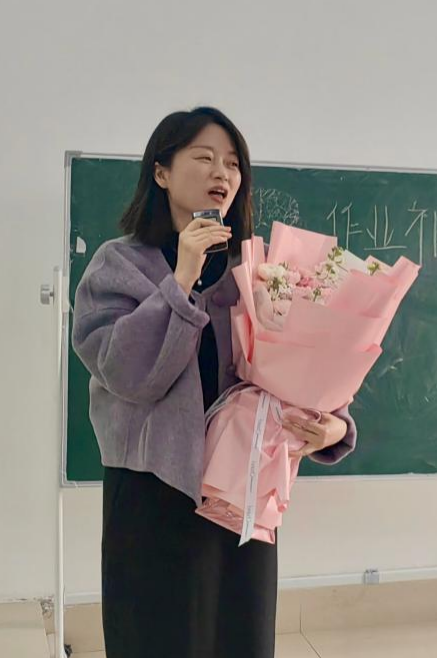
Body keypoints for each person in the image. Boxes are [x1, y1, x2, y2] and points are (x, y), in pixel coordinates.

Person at [72, 107, 356, 658]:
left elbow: (300, 365)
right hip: (154, 497)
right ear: (161, 172)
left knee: (239, 638)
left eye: (232, 163)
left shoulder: (257, 271)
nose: (221, 173)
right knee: (155, 641)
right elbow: (126, 373)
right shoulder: (118, 265)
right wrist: (181, 277)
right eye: (203, 157)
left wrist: (334, 425)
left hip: (240, 497)